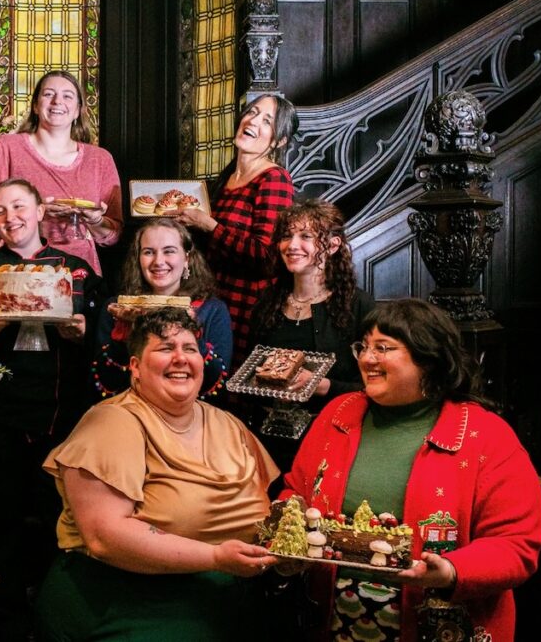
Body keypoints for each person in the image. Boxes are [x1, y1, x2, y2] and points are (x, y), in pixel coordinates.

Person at [280, 298, 541, 641]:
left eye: (383, 348)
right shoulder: (338, 413)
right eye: (364, 346)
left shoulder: (486, 436)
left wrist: (452, 571)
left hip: (439, 626)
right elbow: (296, 492)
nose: (366, 358)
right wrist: (286, 534)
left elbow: (517, 544)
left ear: (428, 359)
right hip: (334, 623)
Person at [36, 307, 279, 640]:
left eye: (189, 348)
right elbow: (105, 538)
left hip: (227, 598)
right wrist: (214, 557)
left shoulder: (227, 423)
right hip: (129, 602)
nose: (180, 357)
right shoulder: (113, 422)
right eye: (165, 348)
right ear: (135, 367)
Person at [0, 177, 104, 639]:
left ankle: (59, 616)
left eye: (19, 206)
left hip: (63, 418)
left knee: (63, 520)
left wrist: (81, 330)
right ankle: (4, 621)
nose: (10, 217)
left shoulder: (75, 270)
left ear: (39, 212)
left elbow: (101, 334)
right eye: (0, 210)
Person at [246, 199, 374, 471]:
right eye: (286, 236)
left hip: (333, 441)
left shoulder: (358, 306)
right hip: (268, 444)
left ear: (333, 245)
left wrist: (324, 386)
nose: (292, 245)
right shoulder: (266, 303)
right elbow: (250, 374)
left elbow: (375, 386)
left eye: (306, 236)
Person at [176, 93, 298, 370]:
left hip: (247, 307)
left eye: (267, 120)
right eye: (252, 112)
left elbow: (267, 255)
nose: (253, 120)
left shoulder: (275, 178)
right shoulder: (228, 176)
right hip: (213, 298)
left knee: (233, 384)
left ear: (279, 141)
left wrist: (208, 224)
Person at [0, 70, 122, 277]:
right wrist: (36, 212)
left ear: (78, 110)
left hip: (79, 272)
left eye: (67, 96)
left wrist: (95, 221)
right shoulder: (7, 147)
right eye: (48, 94)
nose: (57, 101)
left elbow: (113, 234)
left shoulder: (100, 159)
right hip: (17, 267)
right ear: (35, 105)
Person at [93, 217, 232, 406]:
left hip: (190, 420)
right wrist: (123, 335)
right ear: (138, 258)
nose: (158, 261)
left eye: (169, 251)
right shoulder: (116, 308)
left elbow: (215, 385)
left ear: (186, 259)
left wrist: (193, 335)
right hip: (129, 415)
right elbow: (105, 384)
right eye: (148, 252)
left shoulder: (212, 310)